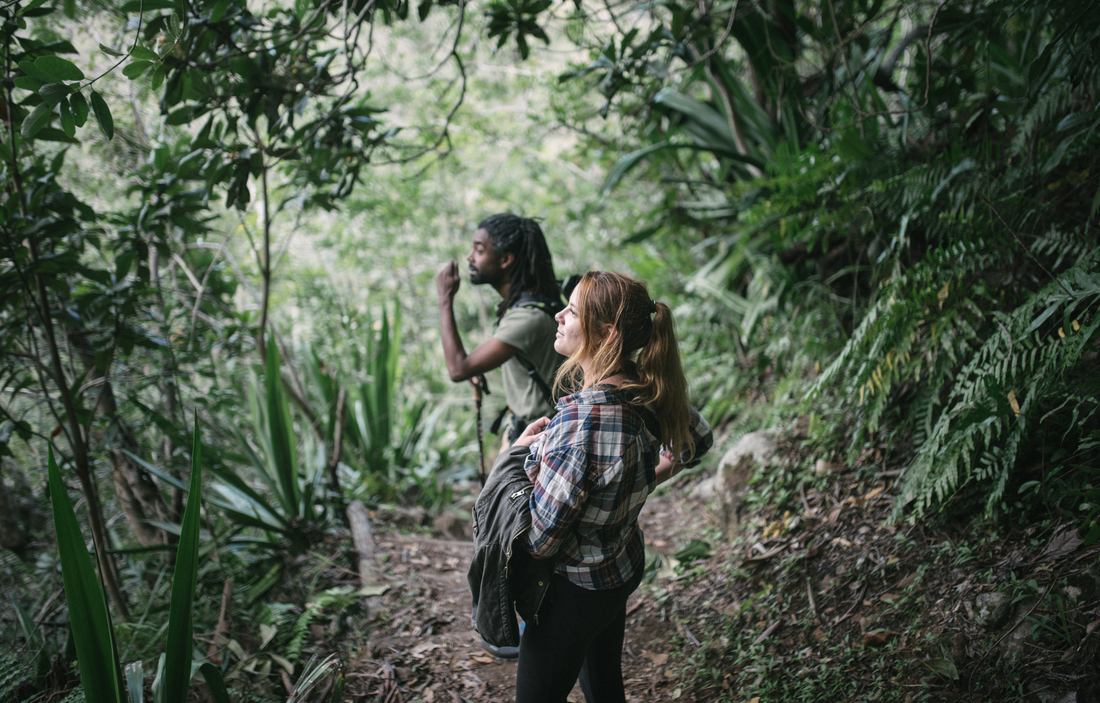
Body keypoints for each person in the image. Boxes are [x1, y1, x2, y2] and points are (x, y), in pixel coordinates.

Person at [508, 271, 713, 702]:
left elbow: (543, 540)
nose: (559, 316)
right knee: (603, 683)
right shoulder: (648, 387)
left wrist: (517, 456)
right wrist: (643, 479)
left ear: (606, 332)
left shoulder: (583, 422)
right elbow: (699, 437)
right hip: (617, 569)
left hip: (571, 590)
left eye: (572, 311)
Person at [436, 213, 563, 445]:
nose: (470, 257)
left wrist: (444, 299)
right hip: (530, 432)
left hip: (540, 442)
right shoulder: (532, 305)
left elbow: (457, 369)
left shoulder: (527, 317)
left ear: (505, 259)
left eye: (479, 250)